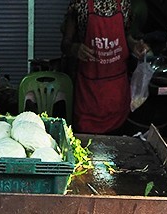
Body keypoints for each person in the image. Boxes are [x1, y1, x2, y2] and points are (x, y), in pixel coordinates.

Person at [61, 0, 150, 134]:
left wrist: (135, 45)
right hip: (89, 96)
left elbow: (127, 37)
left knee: (118, 147)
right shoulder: (80, 4)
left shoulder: (124, 4)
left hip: (117, 94)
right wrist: (74, 48)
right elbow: (64, 44)